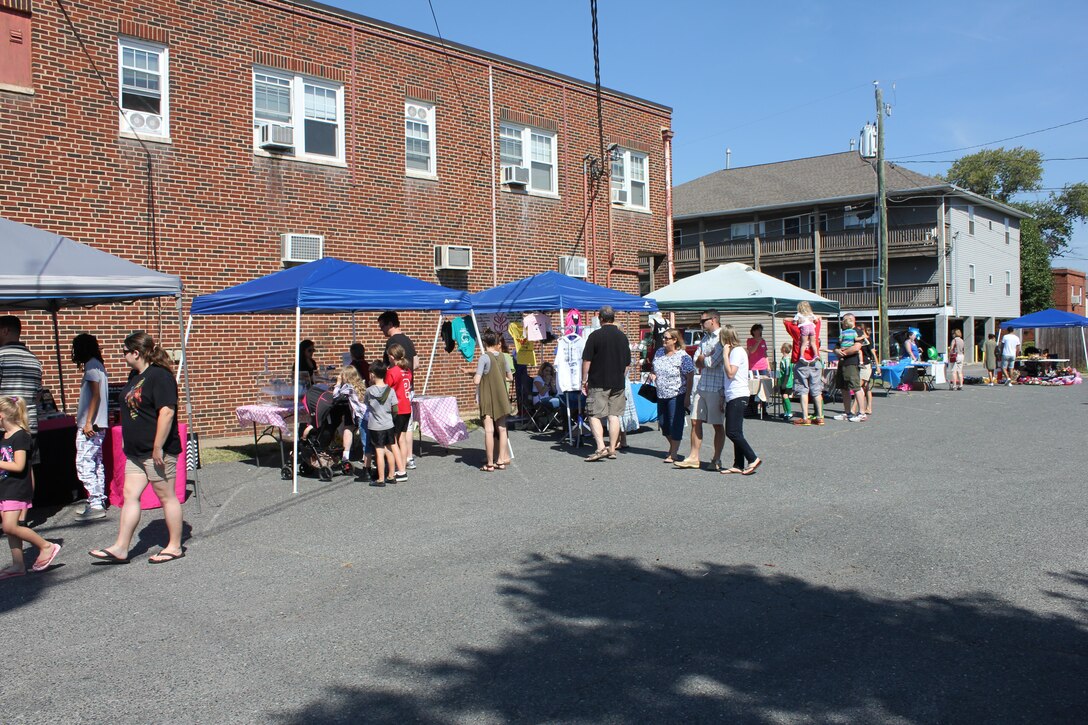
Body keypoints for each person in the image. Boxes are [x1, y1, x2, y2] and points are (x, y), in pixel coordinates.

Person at [89, 332, 184, 564]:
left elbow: (167, 412)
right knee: (130, 495)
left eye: (125, 352)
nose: (123, 356)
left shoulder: (160, 376)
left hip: (157, 452)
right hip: (136, 452)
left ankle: (174, 546)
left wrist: (158, 446)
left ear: (136, 353)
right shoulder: (135, 375)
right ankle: (121, 547)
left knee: (166, 496)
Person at [0, 396, 61, 579]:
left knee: (10, 526)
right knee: (9, 528)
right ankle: (18, 565)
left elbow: (19, 466)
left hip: (16, 488)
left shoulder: (21, 436)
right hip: (5, 487)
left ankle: (46, 546)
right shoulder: (4, 436)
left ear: (1, 415)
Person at [0, 315, 42, 523]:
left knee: (6, 464)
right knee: (27, 467)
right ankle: (23, 515)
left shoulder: (1, 356)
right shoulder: (34, 359)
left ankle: (8, 513)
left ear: (5, 331)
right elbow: (37, 395)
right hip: (29, 422)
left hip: (6, 422)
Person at [674, 310, 727, 470]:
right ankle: (693, 457)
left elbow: (713, 361)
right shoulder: (704, 338)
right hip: (702, 385)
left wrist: (703, 358)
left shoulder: (722, 337)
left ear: (714, 320)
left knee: (717, 424)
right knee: (695, 420)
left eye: (703, 321)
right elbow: (696, 360)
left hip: (716, 387)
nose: (701, 324)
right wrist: (703, 358)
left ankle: (716, 459)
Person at [580, 306, 632, 462]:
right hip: (618, 382)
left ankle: (601, 447)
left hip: (599, 381)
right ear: (613, 318)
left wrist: (584, 380)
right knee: (614, 415)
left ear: (600, 318)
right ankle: (612, 449)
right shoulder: (623, 337)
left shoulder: (595, 336)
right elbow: (627, 363)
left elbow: (587, 360)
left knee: (594, 414)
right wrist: (620, 376)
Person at [72, 333, 109, 520]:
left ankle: (95, 504)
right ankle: (97, 500)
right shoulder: (97, 365)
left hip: (91, 426)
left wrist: (87, 422)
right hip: (98, 425)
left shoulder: (91, 366)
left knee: (84, 463)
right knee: (95, 463)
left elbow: (95, 395)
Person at [378, 311, 419, 469]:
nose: (381, 330)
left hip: (395, 392)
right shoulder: (408, 340)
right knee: (407, 427)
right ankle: (408, 457)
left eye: (382, 326)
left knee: (394, 430)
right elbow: (416, 364)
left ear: (390, 324)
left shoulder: (392, 342)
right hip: (409, 387)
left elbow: (387, 368)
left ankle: (394, 462)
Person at [719, 325, 761, 475]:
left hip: (738, 394)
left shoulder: (736, 352)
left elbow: (731, 373)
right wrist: (723, 397)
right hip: (732, 394)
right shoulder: (735, 352)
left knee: (732, 431)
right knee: (737, 431)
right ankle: (738, 464)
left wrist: (725, 355)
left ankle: (753, 457)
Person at [650, 327, 695, 463]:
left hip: (677, 394)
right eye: (663, 337)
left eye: (666, 338)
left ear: (675, 340)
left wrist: (687, 396)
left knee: (674, 422)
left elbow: (690, 377)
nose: (663, 340)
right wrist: (653, 374)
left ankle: (674, 453)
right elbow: (654, 367)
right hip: (661, 393)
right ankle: (673, 446)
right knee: (663, 423)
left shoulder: (683, 356)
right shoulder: (659, 352)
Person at [474, 330, 512, 472]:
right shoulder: (503, 357)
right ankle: (501, 460)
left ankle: (490, 463)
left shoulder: (484, 358)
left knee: (489, 430)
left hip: (488, 397)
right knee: (502, 429)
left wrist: (476, 377)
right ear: (496, 343)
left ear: (484, 343)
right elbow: (510, 377)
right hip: (501, 397)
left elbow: (477, 380)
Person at [784, 311, 824, 425]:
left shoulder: (797, 329)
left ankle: (805, 417)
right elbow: (819, 317)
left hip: (801, 363)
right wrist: (811, 318)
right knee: (816, 390)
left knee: (803, 390)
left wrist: (797, 319)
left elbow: (785, 320)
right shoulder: (815, 327)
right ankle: (820, 416)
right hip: (815, 362)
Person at [364, 361, 397, 487]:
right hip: (388, 424)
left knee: (379, 451)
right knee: (389, 450)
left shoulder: (369, 391)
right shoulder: (391, 390)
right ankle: (391, 475)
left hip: (375, 426)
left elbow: (367, 404)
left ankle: (380, 479)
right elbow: (395, 409)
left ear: (372, 375)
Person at [331, 365, 367, 475]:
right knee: (349, 427)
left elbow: (335, 395)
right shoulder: (361, 384)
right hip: (363, 414)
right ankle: (361, 456)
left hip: (361, 416)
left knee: (364, 438)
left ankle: (365, 461)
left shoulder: (348, 387)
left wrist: (337, 383)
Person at [384, 344, 412, 484]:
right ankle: (403, 466)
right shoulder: (406, 370)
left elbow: (386, 389)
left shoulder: (392, 371)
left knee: (392, 440)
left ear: (391, 356)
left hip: (396, 408)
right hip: (406, 407)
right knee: (402, 438)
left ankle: (400, 470)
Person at [832, 314, 865, 422]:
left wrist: (843, 353)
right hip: (842, 364)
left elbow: (856, 348)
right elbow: (836, 347)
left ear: (851, 320)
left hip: (851, 363)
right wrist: (837, 351)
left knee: (856, 387)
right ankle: (847, 412)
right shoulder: (843, 332)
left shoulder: (857, 331)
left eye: (844, 320)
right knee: (843, 388)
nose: (843, 322)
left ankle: (862, 413)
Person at [745, 324, 769, 418]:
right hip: (754, 367)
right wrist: (757, 342)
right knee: (753, 387)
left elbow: (765, 353)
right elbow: (752, 351)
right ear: (754, 331)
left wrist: (768, 364)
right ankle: (752, 408)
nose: (759, 332)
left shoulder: (763, 341)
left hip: (763, 367)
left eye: (760, 330)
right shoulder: (750, 341)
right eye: (758, 330)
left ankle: (764, 408)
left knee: (764, 388)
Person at [856, 323, 877, 416]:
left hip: (866, 364)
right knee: (866, 387)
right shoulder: (858, 339)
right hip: (860, 364)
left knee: (860, 386)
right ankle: (867, 408)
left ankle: (861, 408)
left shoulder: (868, 340)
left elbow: (873, 353)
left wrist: (878, 366)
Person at [776, 342, 795, 421]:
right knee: (782, 397)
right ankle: (785, 412)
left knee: (785, 396)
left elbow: (787, 372)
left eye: (781, 347)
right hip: (782, 380)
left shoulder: (787, 360)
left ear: (784, 349)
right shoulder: (783, 358)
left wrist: (784, 383)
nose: (780, 348)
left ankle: (789, 412)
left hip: (787, 382)